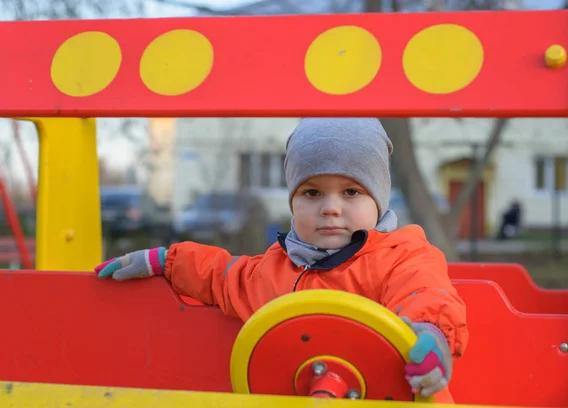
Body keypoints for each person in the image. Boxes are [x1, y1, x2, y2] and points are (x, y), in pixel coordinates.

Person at [95, 118, 468, 403]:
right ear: (292, 201)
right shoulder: (274, 271)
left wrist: (428, 335)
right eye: (312, 192)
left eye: (351, 191)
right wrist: (165, 261)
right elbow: (222, 275)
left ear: (379, 200)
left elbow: (425, 293)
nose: (331, 208)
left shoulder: (401, 257)